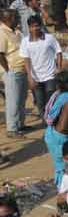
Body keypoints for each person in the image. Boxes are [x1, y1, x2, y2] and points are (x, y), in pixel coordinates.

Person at [42, 71, 68, 186]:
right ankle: (62, 189)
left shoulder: (59, 95)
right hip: (60, 139)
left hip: (53, 135)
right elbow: (63, 127)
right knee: (64, 168)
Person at [0, 9, 27, 137]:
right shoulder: (2, 32)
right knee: (13, 101)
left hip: (22, 69)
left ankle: (20, 124)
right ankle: (12, 129)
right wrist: (8, 70)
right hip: (12, 70)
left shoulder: (16, 31)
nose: (17, 18)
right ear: (8, 18)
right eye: (15, 17)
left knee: (21, 99)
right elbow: (0, 54)